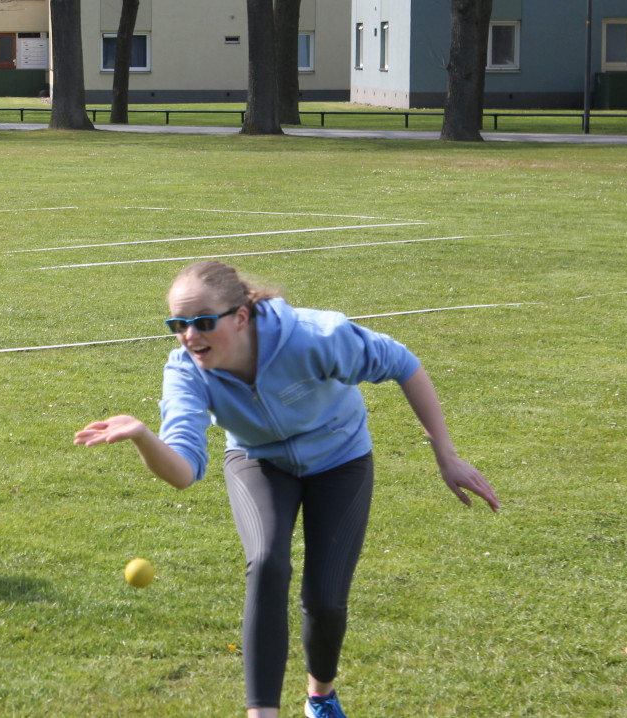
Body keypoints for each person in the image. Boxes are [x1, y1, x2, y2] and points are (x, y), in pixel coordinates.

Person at [75, 260, 498, 718]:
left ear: (240, 317)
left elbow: (403, 364)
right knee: (266, 561)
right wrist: (142, 435)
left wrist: (446, 455)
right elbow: (183, 472)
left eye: (201, 322)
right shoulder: (186, 371)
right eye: (178, 324)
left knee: (326, 599)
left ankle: (320, 696)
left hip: (341, 458)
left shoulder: (313, 337)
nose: (189, 336)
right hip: (258, 459)